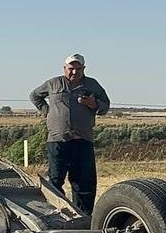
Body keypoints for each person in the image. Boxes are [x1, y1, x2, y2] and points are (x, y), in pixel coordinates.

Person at [29, 54, 110, 215]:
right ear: (64, 68)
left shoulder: (92, 85)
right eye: (71, 68)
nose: (74, 72)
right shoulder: (53, 83)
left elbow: (105, 105)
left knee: (84, 183)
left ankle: (84, 218)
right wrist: (47, 111)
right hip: (57, 140)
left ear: (83, 69)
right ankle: (58, 215)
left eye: (78, 69)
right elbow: (35, 96)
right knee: (55, 181)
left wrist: (93, 104)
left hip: (82, 140)